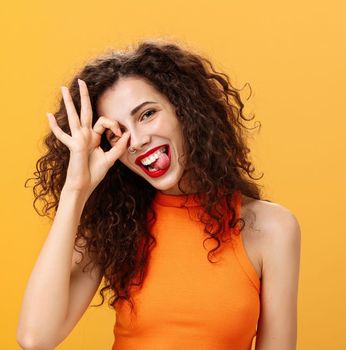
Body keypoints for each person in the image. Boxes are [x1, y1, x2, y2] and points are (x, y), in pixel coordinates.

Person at [16, 40, 301, 350]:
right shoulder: (115, 227)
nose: (136, 140)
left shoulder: (271, 228)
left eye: (147, 114)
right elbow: (35, 339)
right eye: (117, 133)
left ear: (185, 111)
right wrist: (76, 190)